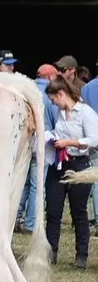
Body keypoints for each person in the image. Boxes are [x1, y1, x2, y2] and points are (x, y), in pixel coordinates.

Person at [42, 76, 98, 268]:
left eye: (53, 99)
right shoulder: (58, 112)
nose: (52, 103)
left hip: (79, 164)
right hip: (59, 165)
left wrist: (70, 142)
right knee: (53, 211)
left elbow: (94, 139)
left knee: (78, 212)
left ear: (61, 94)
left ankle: (81, 256)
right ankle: (51, 253)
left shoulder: (85, 112)